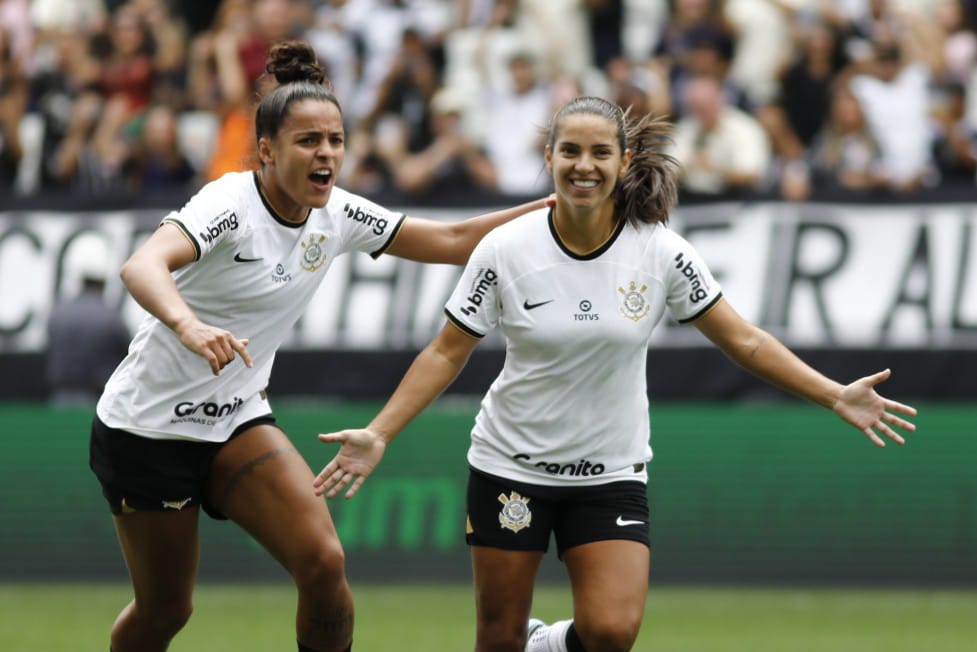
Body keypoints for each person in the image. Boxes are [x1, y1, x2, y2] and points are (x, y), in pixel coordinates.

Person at [312, 95, 918, 652]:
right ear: (548, 156)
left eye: (600, 152)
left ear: (624, 160)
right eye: (570, 151)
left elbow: (745, 340)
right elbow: (447, 350)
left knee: (611, 632)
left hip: (609, 474)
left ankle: (546, 644)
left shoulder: (660, 251)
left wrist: (834, 394)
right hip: (509, 467)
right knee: (497, 642)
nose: (584, 165)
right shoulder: (504, 248)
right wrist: (381, 432)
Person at [88, 40, 552, 652]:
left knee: (324, 564)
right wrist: (188, 325)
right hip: (148, 432)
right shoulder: (229, 203)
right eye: (309, 141)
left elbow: (454, 238)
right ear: (265, 150)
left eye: (335, 139)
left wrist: (556, 209)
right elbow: (141, 266)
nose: (326, 153)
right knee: (167, 610)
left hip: (236, 422)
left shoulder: (337, 214)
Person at [46, 242, 130, 407]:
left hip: (58, 402)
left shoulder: (57, 314)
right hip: (100, 404)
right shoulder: (112, 318)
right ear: (105, 280)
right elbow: (129, 359)